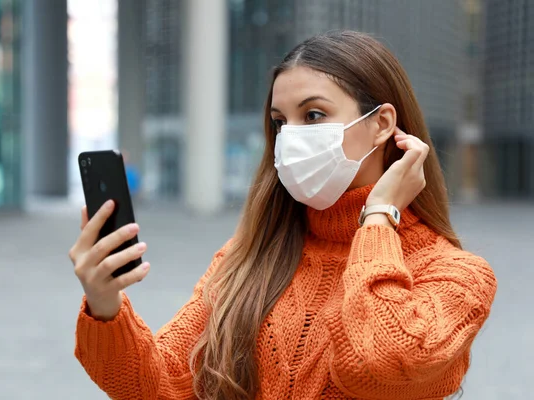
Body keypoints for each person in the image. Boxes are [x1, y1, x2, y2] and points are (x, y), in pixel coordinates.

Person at [68, 31, 497, 400]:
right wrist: (105, 304)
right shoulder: (248, 257)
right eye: (279, 122)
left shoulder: (457, 276)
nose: (290, 137)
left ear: (383, 123)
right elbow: (157, 385)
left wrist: (379, 217)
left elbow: (380, 361)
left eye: (313, 115)